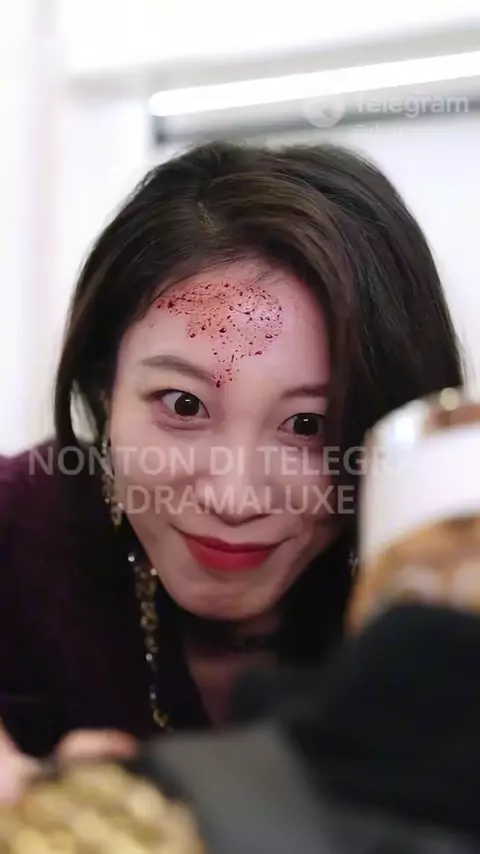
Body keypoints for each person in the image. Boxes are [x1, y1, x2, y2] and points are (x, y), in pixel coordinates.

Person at [0, 141, 462, 768]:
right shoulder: (17, 528)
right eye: (184, 405)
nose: (234, 497)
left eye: (307, 425)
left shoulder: (445, 588)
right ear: (105, 386)